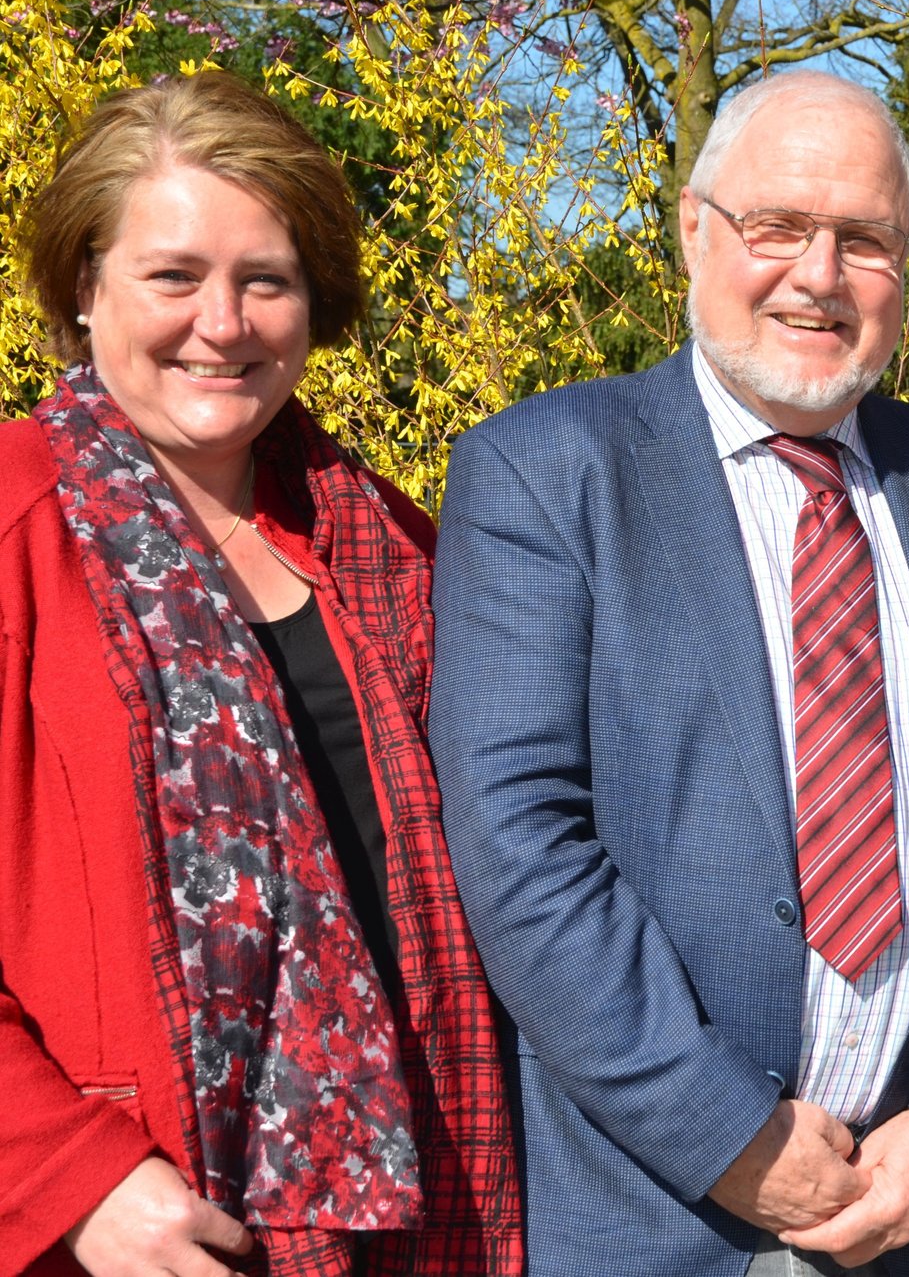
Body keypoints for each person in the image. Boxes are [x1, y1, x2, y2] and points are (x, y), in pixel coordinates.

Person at [427, 70, 909, 1277]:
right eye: (777, 227)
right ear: (694, 231)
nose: (819, 276)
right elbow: (518, 841)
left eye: (864, 240)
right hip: (648, 1221)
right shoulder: (547, 475)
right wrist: (726, 1133)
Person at [0, 72, 520, 1276]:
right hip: (142, 1225)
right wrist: (66, 1178)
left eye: (265, 280)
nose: (222, 324)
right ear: (86, 288)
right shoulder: (20, 531)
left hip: (440, 1203)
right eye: (173, 276)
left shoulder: (389, 540)